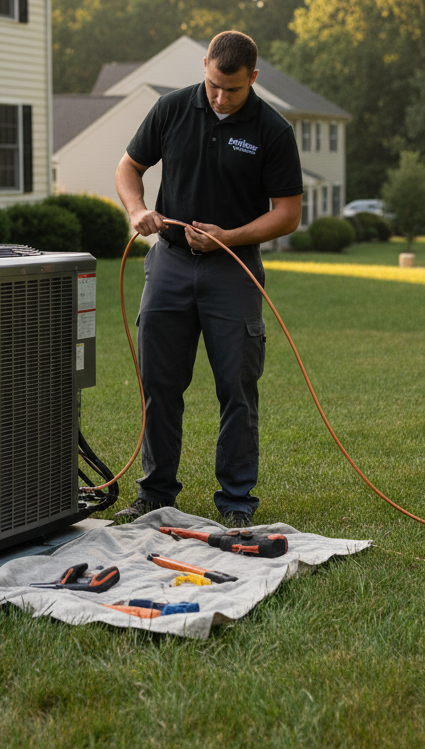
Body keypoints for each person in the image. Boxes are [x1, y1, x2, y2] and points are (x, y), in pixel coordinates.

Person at [113, 30, 303, 527]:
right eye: (214, 84)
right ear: (204, 66)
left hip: (232, 268)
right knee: (160, 382)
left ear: (253, 79)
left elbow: (287, 214)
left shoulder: (272, 130)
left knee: (237, 386)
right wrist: (138, 211)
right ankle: (156, 494)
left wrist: (231, 235)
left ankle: (236, 502)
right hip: (170, 264)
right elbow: (128, 168)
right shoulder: (172, 109)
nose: (220, 97)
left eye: (233, 89)